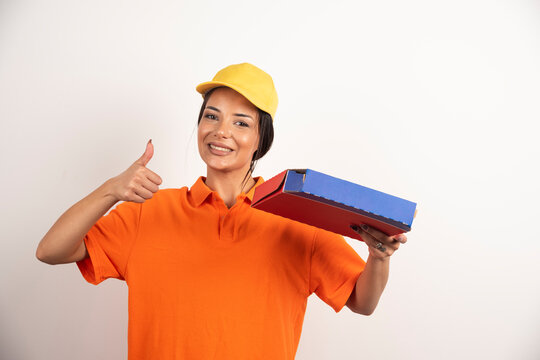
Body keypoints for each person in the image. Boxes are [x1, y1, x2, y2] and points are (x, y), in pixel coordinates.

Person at [36, 62, 408, 359]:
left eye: (241, 122)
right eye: (211, 116)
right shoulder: (147, 212)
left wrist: (379, 257)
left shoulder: (296, 220)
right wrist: (111, 191)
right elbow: (50, 251)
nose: (221, 131)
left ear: (261, 139)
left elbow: (363, 302)